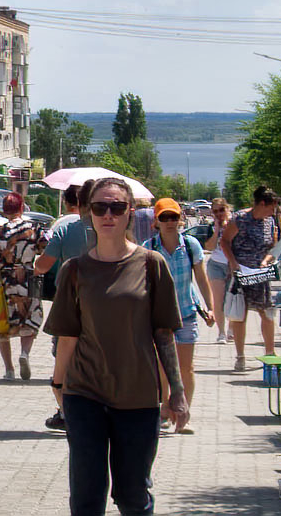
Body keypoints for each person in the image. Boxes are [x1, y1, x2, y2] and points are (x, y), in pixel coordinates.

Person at [44, 177, 187, 515]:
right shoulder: (75, 270)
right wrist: (58, 384)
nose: (108, 214)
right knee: (86, 498)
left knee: (133, 495)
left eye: (117, 207)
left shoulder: (152, 264)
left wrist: (177, 392)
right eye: (100, 207)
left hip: (138, 397)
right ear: (88, 214)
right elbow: (68, 334)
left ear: (129, 213)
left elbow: (164, 335)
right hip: (85, 395)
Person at [144, 197, 214, 431]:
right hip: (160, 317)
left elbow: (202, 279)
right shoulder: (149, 247)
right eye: (165, 217)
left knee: (186, 368)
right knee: (164, 366)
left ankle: (183, 413)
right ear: (157, 221)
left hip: (186, 312)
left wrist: (210, 307)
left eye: (174, 217)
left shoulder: (191, 245)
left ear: (180, 219)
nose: (170, 222)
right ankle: (165, 409)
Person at [35, 180, 96, 430]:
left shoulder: (65, 229)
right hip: (102, 304)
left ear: (76, 204)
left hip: (68, 302)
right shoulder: (110, 230)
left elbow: (43, 265)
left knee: (64, 359)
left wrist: (41, 255)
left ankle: (66, 412)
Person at [0, 191, 48, 380]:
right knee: (31, 316)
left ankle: (9, 370)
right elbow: (44, 249)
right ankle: (25, 353)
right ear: (22, 208)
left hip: (3, 280)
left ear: (4, 211)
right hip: (28, 277)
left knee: (2, 322)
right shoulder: (34, 229)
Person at [221, 185, 279, 371]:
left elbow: (273, 247)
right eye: (271, 208)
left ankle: (270, 354)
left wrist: (267, 260)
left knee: (267, 313)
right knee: (240, 315)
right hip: (241, 273)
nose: (273, 212)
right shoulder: (240, 219)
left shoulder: (270, 222)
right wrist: (233, 263)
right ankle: (240, 356)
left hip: (261, 274)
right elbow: (225, 241)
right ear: (262, 204)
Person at [205, 197, 232, 343]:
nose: (219, 214)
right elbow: (209, 247)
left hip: (233, 265)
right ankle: (221, 333)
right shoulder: (211, 226)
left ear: (227, 209)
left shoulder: (235, 224)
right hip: (216, 264)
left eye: (221, 210)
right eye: (215, 211)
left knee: (232, 299)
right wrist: (216, 230)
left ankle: (232, 328)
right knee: (218, 299)